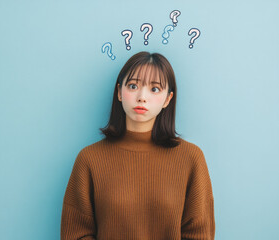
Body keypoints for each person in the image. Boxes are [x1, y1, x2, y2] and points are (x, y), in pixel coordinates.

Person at [60, 51, 215, 240]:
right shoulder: (89, 159)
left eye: (155, 89)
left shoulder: (191, 158)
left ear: (168, 99)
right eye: (133, 86)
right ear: (119, 92)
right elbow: (76, 234)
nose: (142, 97)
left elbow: (199, 234)